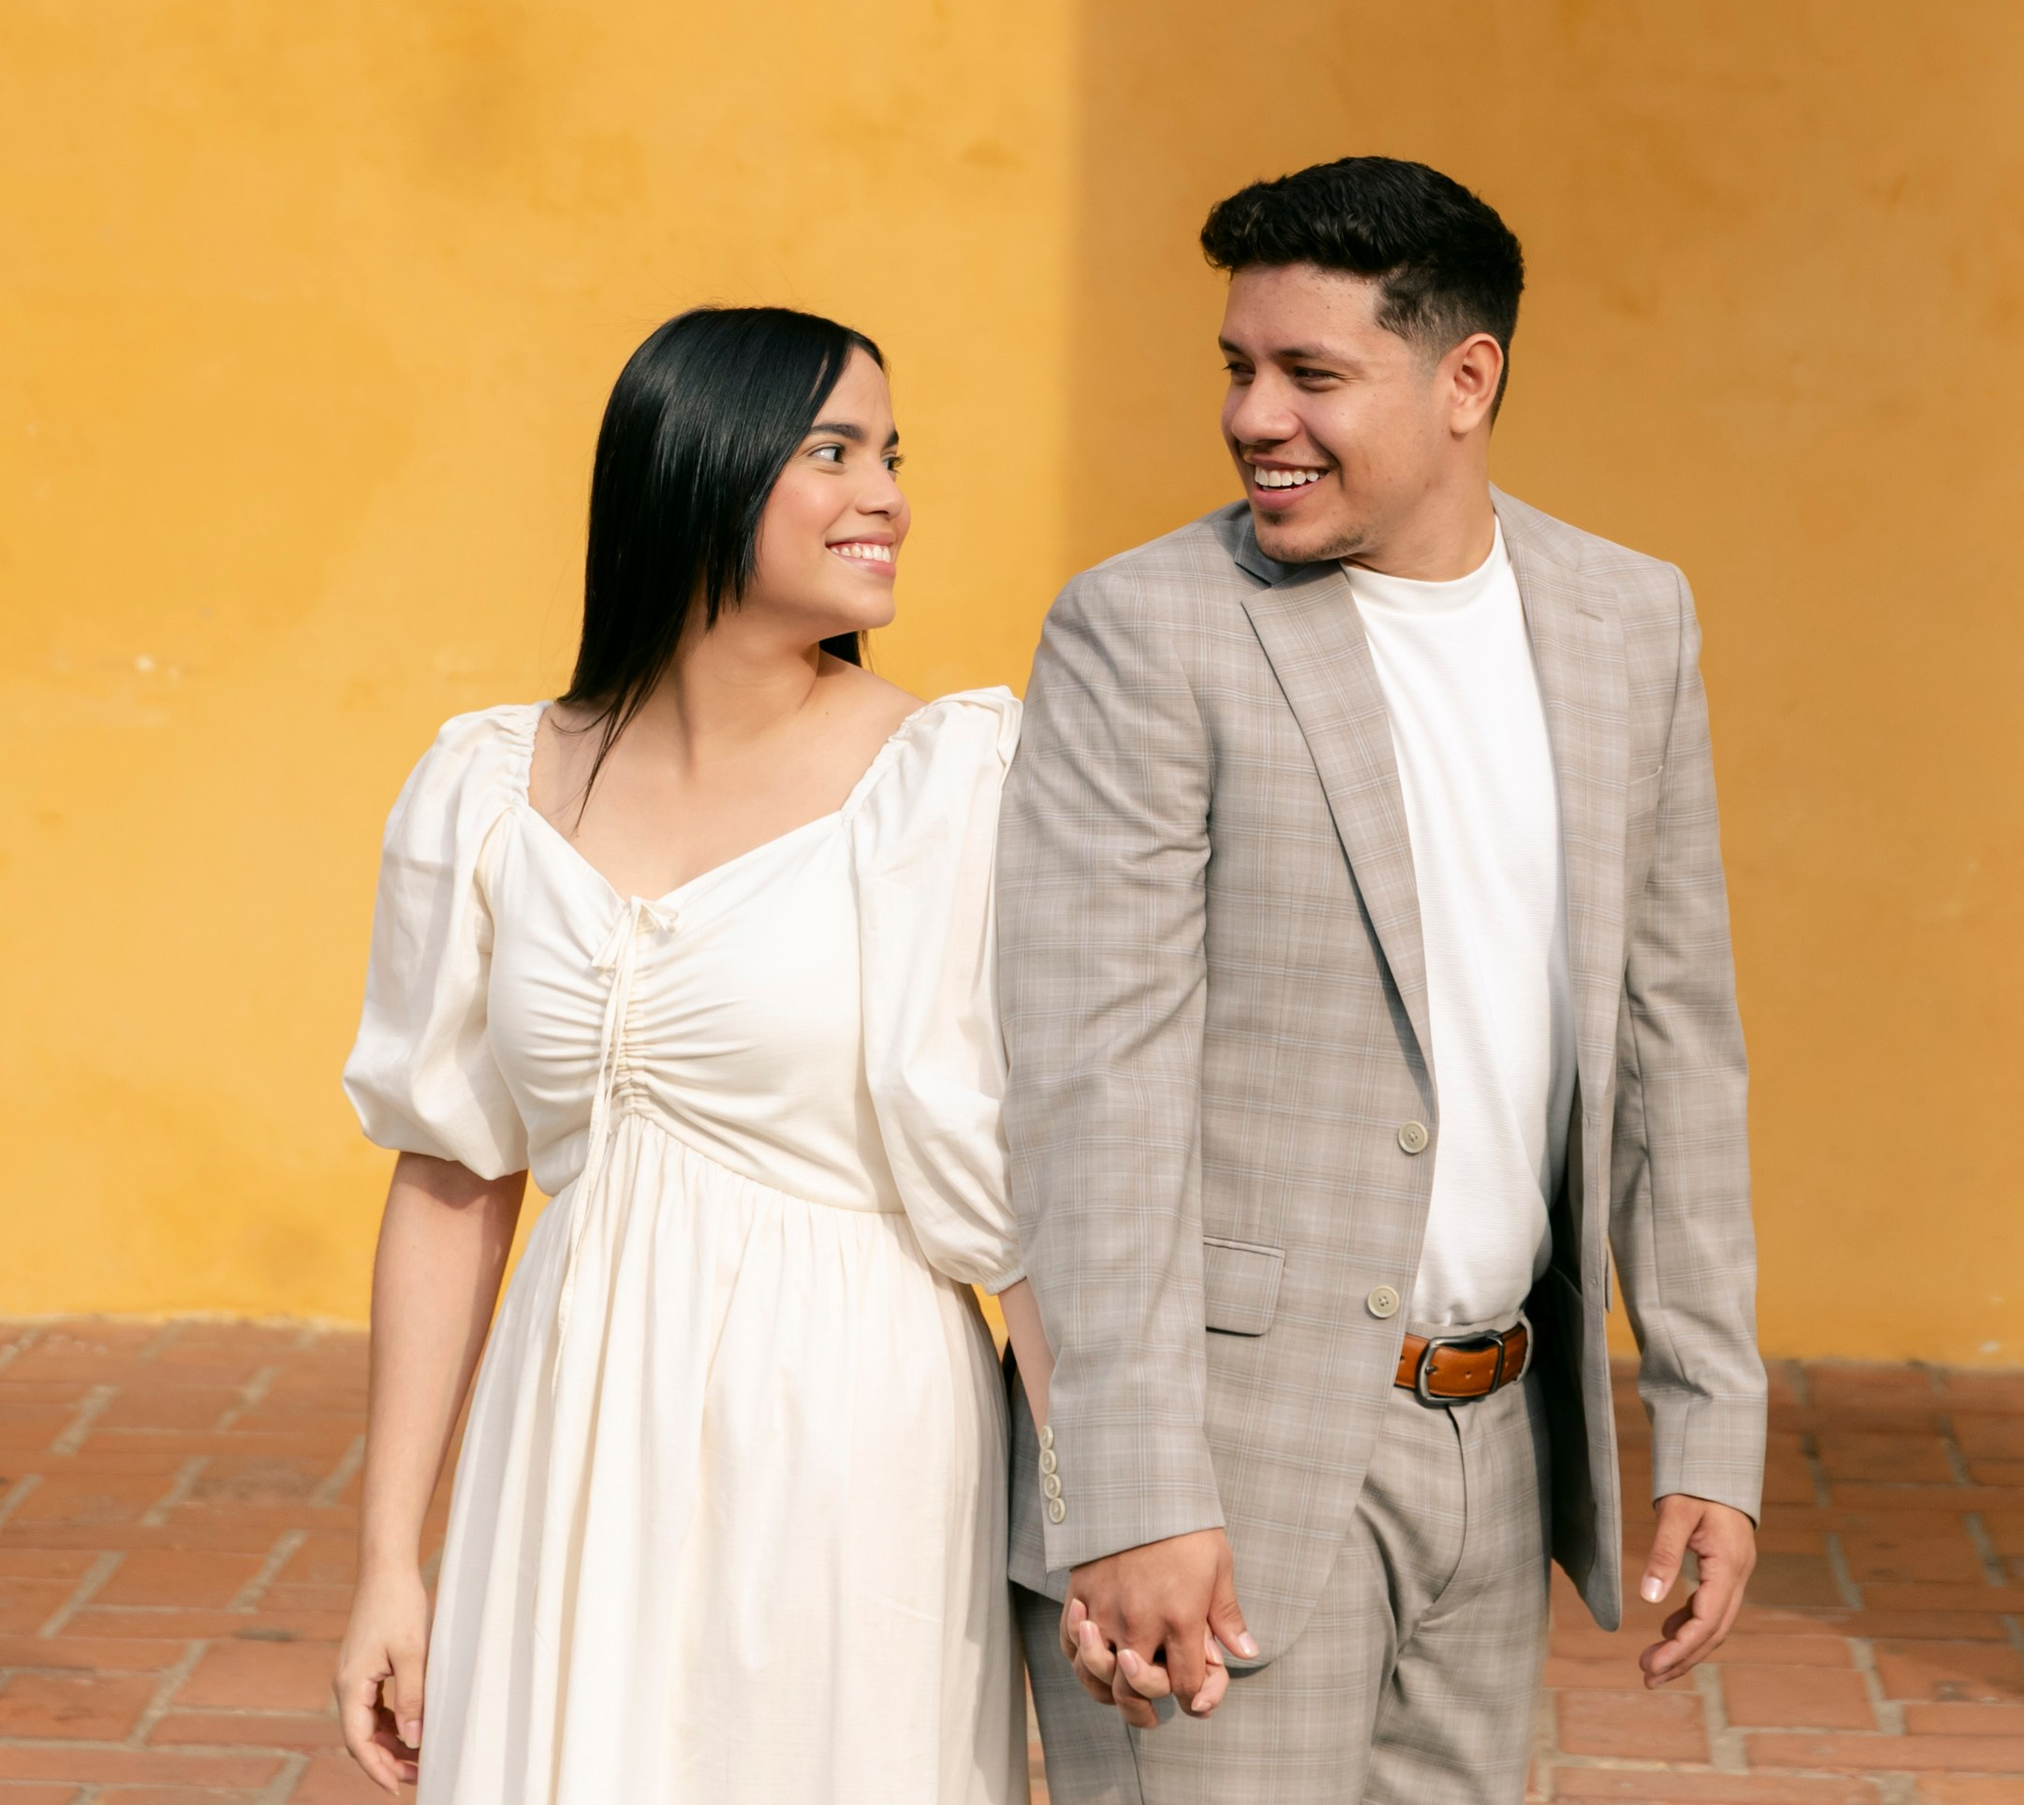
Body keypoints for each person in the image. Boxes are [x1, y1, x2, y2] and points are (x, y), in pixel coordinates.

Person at [996, 156, 1763, 1800]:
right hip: (1228, 1469)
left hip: (1500, 1443)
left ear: (1465, 378)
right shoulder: (1145, 634)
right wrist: (1131, 1489)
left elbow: (1673, 1043)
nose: (1255, 415)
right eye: (1237, 368)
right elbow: (1091, 1088)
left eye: (1312, 375)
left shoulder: (1631, 621)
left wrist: (1710, 1425)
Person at [332, 303, 1052, 1805]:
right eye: (833, 451)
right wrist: (392, 1561)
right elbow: (454, 1169)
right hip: (569, 1422)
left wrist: (1110, 1511)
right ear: (698, 470)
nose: (887, 497)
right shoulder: (487, 784)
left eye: (892, 455)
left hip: (850, 1425)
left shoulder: (943, 782)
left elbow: (1016, 1191)